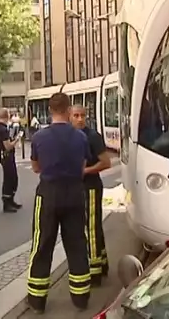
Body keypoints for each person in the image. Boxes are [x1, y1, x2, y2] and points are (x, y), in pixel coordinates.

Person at [27, 93, 91, 313]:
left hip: (48, 193)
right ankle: (81, 297)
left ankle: (37, 300)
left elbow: (36, 167)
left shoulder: (39, 137)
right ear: (67, 109)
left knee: (42, 244)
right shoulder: (80, 137)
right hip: (74, 192)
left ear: (50, 109)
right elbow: (82, 166)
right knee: (76, 243)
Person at [70, 105, 112, 286]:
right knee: (88, 227)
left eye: (83, 116)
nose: (80, 119)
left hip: (91, 186)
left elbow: (106, 163)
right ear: (70, 117)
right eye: (76, 115)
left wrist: (85, 171)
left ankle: (95, 271)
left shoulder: (93, 136)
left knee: (92, 227)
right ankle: (102, 263)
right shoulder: (70, 135)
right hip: (77, 188)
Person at [0, 108, 22, 213]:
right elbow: (7, 146)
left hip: (4, 156)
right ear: (7, 115)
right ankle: (7, 202)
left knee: (11, 178)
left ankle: (10, 200)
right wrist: (17, 139)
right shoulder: (3, 129)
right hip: (7, 156)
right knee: (10, 179)